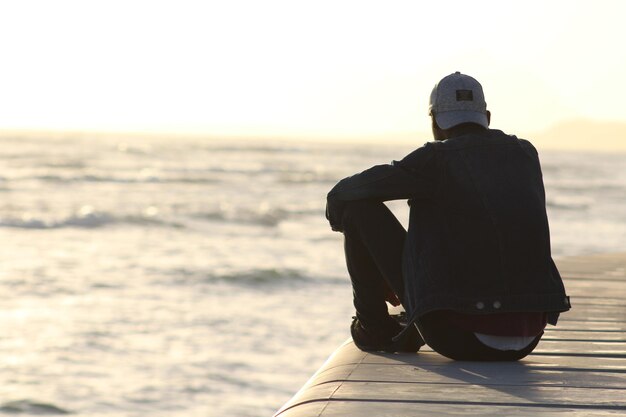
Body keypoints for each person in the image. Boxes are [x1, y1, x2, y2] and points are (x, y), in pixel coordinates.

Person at [325, 72, 570, 361]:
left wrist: (382, 273)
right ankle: (418, 315)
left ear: (434, 121)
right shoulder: (526, 153)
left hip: (459, 337)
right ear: (487, 117)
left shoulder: (434, 159)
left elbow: (343, 194)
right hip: (529, 336)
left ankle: (375, 328)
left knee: (358, 209)